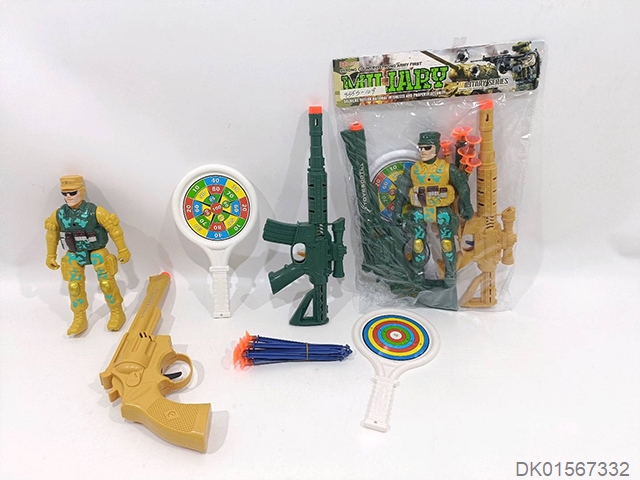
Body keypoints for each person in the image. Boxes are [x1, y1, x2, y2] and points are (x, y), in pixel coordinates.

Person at [44, 175, 131, 335]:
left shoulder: (95, 211)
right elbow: (52, 234)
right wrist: (50, 255)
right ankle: (79, 318)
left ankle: (117, 312)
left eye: (72, 192)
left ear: (82, 191)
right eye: (64, 193)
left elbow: (114, 229)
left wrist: (123, 250)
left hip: (96, 251)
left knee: (106, 283)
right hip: (74, 252)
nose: (68, 196)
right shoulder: (59, 214)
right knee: (74, 286)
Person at [396, 131, 473, 286]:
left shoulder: (446, 168)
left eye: (427, 148)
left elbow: (463, 186)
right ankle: (418, 273)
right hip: (419, 211)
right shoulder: (413, 170)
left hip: (441, 210)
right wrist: (397, 210)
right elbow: (401, 189)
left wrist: (467, 206)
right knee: (418, 243)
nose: (423, 151)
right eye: (421, 148)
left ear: (436, 148)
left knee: (447, 243)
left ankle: (450, 273)